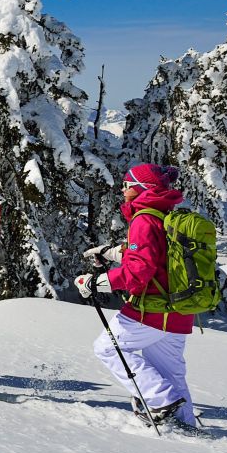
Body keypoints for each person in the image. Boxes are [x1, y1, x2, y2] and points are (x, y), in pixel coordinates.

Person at [75, 163, 200, 429]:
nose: (123, 190)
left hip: (152, 310)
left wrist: (97, 283)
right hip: (179, 312)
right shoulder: (165, 213)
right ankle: (184, 426)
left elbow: (139, 271)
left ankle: (160, 400)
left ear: (142, 188)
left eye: (127, 185)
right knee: (170, 373)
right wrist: (112, 252)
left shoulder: (144, 219)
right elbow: (158, 257)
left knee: (107, 348)